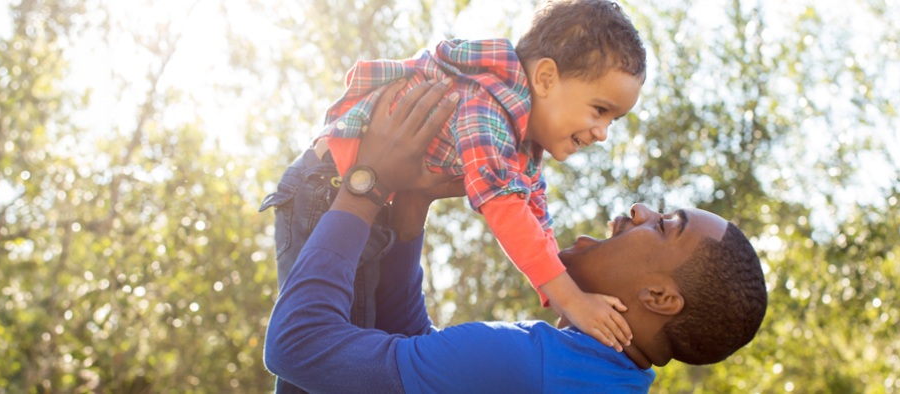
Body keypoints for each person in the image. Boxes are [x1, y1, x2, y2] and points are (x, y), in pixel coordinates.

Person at [264, 75, 768, 393]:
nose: (638, 209)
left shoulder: (533, 368)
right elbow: (417, 355)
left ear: (659, 297)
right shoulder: (593, 376)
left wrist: (365, 184)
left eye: (665, 225)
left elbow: (297, 346)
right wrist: (412, 203)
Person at [285, 0, 647, 352]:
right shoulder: (486, 105)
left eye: (613, 120)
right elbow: (505, 209)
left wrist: (570, 292)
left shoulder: (525, 144)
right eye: (600, 110)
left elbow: (537, 218)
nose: (603, 133)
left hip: (370, 201)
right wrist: (573, 301)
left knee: (358, 335)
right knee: (330, 337)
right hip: (327, 188)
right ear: (546, 78)